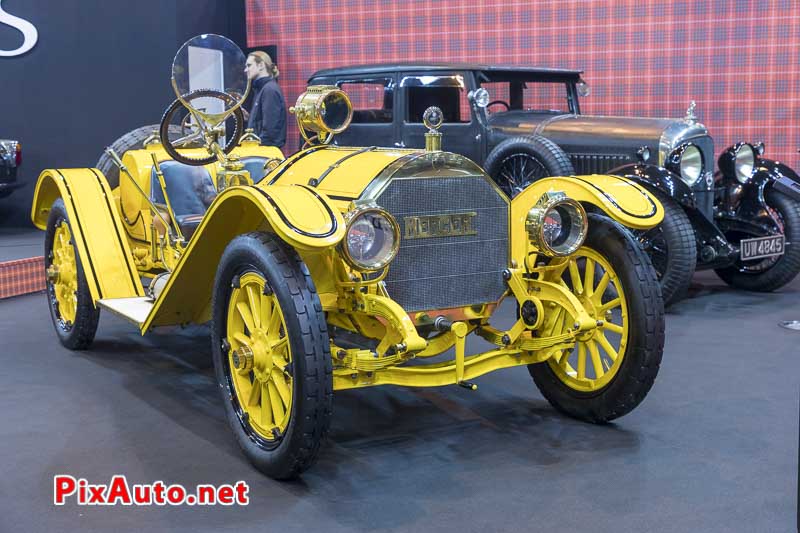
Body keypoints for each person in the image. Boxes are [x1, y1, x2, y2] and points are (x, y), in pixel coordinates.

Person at [243, 51, 286, 149]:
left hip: (265, 154)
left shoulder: (269, 90)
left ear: (261, 65)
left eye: (249, 65)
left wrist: (257, 149)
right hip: (263, 151)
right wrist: (250, 118)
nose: (246, 70)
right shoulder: (263, 89)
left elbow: (270, 130)